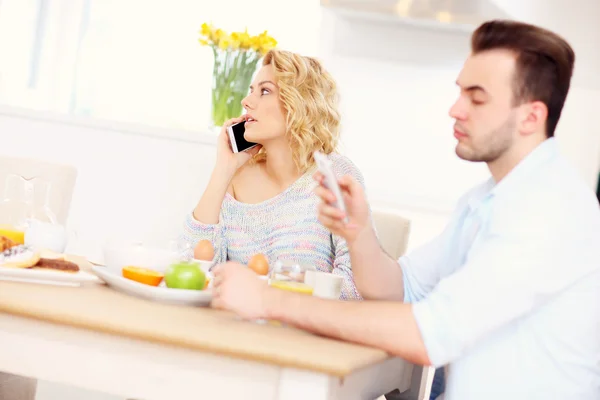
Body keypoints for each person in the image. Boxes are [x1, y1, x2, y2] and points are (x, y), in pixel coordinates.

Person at [210, 19, 600, 399]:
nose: (455, 109)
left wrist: (269, 300)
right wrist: (359, 232)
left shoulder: (549, 209)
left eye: (476, 98)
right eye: (460, 91)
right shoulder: (484, 199)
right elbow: (401, 289)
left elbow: (432, 333)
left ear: (531, 117)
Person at [180, 49, 368, 300]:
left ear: (299, 103)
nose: (246, 102)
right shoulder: (235, 178)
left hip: (304, 332)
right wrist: (223, 171)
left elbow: (356, 288)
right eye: (250, 90)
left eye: (265, 91)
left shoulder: (335, 175)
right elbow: (191, 270)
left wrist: (268, 295)